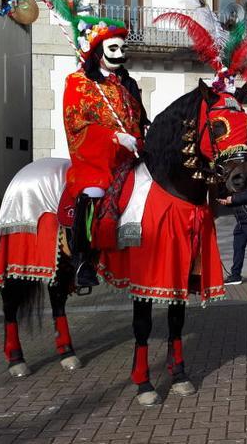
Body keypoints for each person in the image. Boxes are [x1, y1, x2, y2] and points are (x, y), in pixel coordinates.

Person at [60, 15, 149, 290]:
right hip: (95, 161)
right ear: (97, 52)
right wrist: (114, 138)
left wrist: (143, 133)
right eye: (113, 49)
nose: (120, 54)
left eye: (123, 48)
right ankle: (83, 260)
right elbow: (75, 122)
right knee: (94, 193)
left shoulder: (124, 85)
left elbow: (137, 119)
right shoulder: (77, 82)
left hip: (130, 158)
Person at [217, 170, 247, 285]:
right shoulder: (235, 180)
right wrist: (228, 201)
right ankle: (235, 275)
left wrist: (233, 199)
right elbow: (239, 200)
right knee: (238, 247)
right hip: (241, 220)